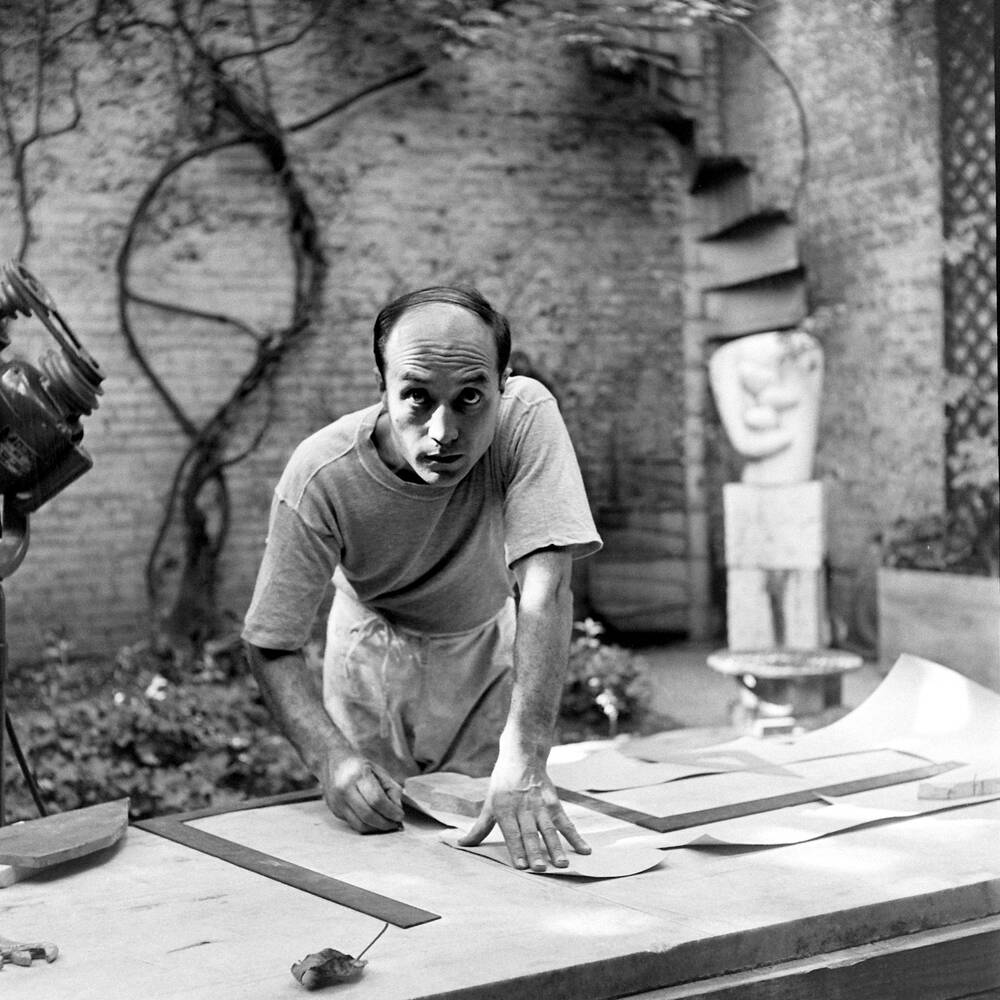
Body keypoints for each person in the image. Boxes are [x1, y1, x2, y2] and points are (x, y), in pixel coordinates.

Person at [242, 285, 602, 871]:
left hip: (488, 653)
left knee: (497, 852)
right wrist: (331, 758)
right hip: (370, 663)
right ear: (381, 387)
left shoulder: (525, 417)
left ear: (503, 383)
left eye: (469, 398)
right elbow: (271, 642)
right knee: (389, 855)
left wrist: (526, 754)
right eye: (416, 397)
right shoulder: (320, 475)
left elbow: (546, 588)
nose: (443, 431)